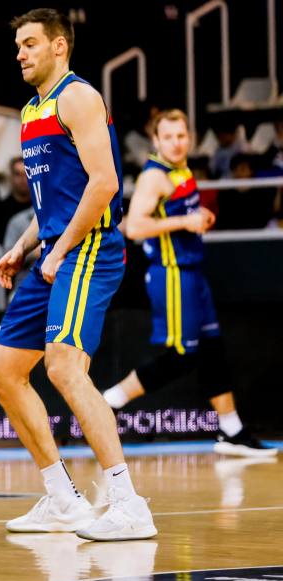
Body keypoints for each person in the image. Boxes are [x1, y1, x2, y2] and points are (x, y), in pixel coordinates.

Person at [0, 8, 155, 541]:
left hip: (89, 249)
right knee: (2, 371)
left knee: (62, 367)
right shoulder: (31, 108)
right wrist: (22, 246)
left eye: (30, 43)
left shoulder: (79, 97)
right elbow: (54, 198)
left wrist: (58, 250)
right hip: (55, 249)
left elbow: (103, 183)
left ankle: (129, 504)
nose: (20, 53)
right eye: (17, 45)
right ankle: (62, 498)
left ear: (60, 46)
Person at [102, 109, 275, 458]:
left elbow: (180, 216)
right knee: (182, 355)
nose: (176, 143)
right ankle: (109, 402)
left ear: (190, 137)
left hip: (193, 272)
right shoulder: (154, 177)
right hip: (172, 274)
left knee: (212, 347)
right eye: (168, 137)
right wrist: (186, 220)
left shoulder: (179, 169)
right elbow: (134, 227)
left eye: (181, 136)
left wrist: (198, 219)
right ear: (156, 140)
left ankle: (231, 431)